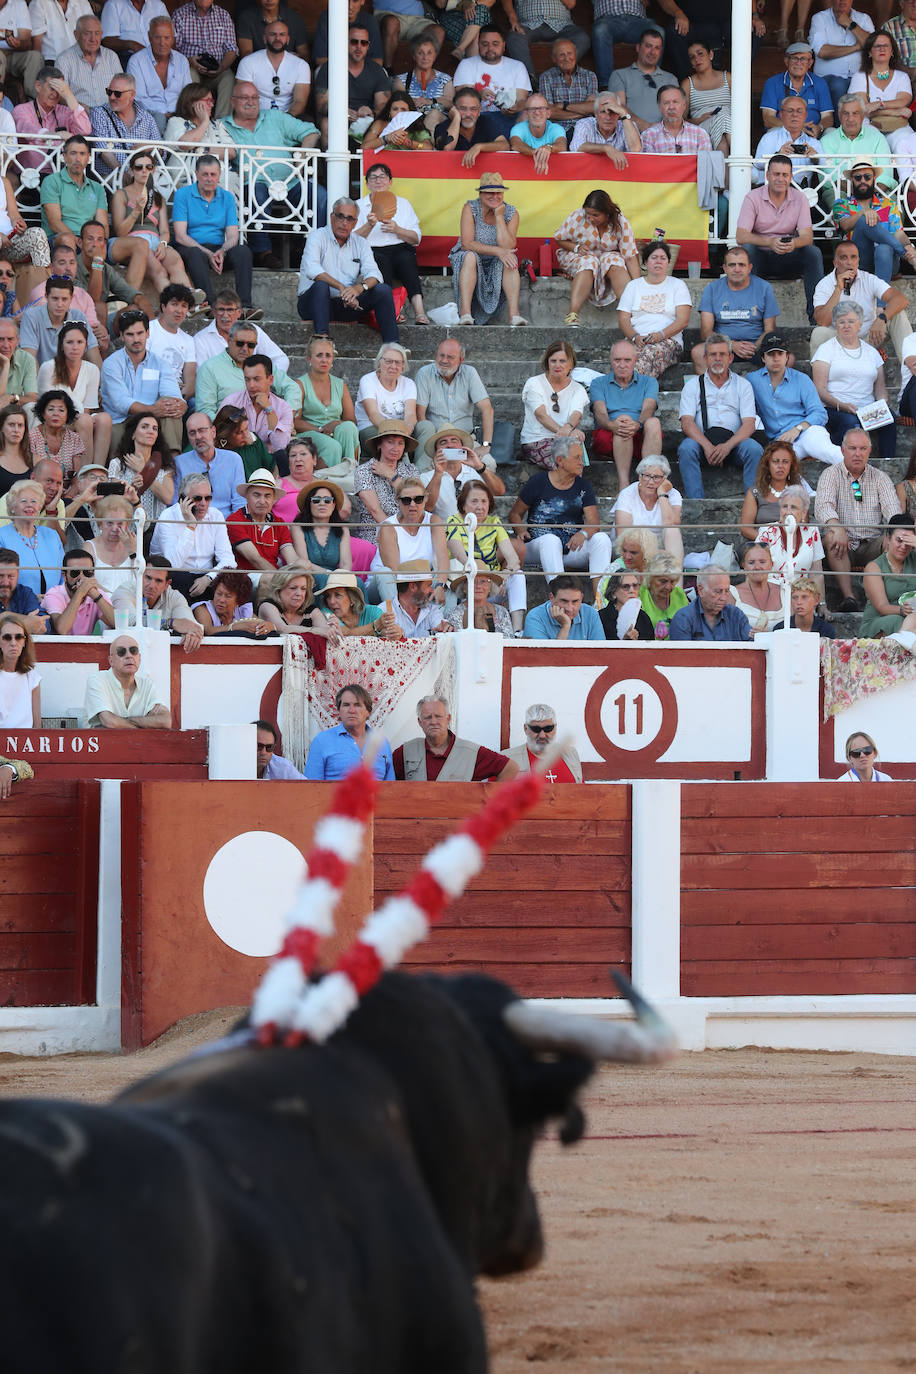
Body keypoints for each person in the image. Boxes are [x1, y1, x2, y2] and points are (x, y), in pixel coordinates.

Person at [223, 80, 322, 267]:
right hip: (254, 181)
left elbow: (311, 132)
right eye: (244, 98)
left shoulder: (275, 117)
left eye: (254, 98)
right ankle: (263, 253)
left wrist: (301, 158)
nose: (251, 102)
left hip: (289, 181)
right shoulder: (223, 126)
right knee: (255, 194)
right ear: (233, 101)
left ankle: (316, 249)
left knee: (320, 196)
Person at [509, 436, 612, 599]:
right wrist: (520, 530)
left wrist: (583, 534)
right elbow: (515, 513)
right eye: (577, 458)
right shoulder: (538, 482)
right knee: (551, 540)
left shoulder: (583, 486)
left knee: (602, 539)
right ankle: (560, 598)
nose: (582, 462)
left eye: (582, 457)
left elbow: (594, 523)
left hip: (571, 549)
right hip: (538, 547)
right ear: (560, 460)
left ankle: (601, 601)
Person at [815, 427, 901, 610]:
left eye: (863, 449)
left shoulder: (880, 478)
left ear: (869, 451)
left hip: (872, 543)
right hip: (843, 543)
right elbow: (823, 506)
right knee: (831, 536)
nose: (858, 454)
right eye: (853, 448)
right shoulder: (830, 474)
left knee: (893, 540)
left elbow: (893, 510)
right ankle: (849, 597)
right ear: (842, 450)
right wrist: (837, 527)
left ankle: (888, 599)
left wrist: (894, 532)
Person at [298, 198, 399, 344]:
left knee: (382, 290)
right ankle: (323, 341)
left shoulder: (361, 243)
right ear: (332, 217)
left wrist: (359, 289)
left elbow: (375, 274)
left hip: (346, 305)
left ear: (355, 223)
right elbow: (312, 269)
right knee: (321, 285)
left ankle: (392, 345)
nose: (344, 223)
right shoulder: (317, 236)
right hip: (312, 303)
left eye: (350, 219)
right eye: (340, 216)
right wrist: (343, 288)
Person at [736, 155, 823, 326]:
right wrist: (769, 242)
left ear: (791, 177)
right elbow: (741, 235)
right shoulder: (752, 197)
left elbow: (807, 236)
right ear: (767, 175)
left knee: (813, 253)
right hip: (761, 257)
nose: (780, 179)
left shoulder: (800, 198)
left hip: (788, 255)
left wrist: (793, 243)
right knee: (747, 250)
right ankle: (749, 319)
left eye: (785, 175)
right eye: (776, 174)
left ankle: (816, 320)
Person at [677, 335, 762, 500]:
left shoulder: (743, 385)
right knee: (686, 449)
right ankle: (696, 503)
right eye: (713, 355)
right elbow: (686, 423)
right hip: (702, 444)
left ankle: (753, 503)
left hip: (734, 444)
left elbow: (749, 424)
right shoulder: (693, 385)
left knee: (755, 449)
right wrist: (708, 447)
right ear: (705, 358)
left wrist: (727, 447)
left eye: (722, 354)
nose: (718, 359)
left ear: (730, 358)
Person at [170, 156, 256, 316]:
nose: (209, 179)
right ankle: (209, 305)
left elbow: (232, 236)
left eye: (213, 174)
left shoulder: (227, 197)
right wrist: (207, 253)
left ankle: (244, 307)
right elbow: (180, 236)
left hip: (217, 248)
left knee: (243, 251)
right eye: (205, 174)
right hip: (190, 247)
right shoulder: (183, 194)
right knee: (195, 254)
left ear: (219, 175)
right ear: (196, 174)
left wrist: (222, 251)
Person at [811, 300, 896, 459]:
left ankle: (887, 462)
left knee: (889, 419)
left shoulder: (872, 353)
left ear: (860, 324)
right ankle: (839, 461)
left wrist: (882, 407)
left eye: (851, 321)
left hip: (867, 410)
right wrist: (842, 405)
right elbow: (819, 389)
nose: (846, 325)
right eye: (841, 322)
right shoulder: (826, 350)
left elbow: (880, 390)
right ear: (836, 324)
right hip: (834, 408)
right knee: (851, 423)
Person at [748, 333, 844, 466]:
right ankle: (810, 489)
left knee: (827, 451)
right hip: (780, 441)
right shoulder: (752, 380)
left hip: (807, 431)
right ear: (763, 357)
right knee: (778, 468)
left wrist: (797, 428)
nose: (776, 358)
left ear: (787, 357)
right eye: (771, 354)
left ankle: (868, 481)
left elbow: (819, 413)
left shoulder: (801, 379)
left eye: (780, 354)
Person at [100, 308, 185, 455]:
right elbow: (121, 402)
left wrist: (179, 404)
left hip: (152, 420)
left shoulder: (160, 363)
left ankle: (173, 463)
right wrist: (152, 409)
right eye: (130, 335)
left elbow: (172, 393)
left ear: (148, 333)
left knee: (171, 406)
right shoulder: (111, 364)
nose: (136, 339)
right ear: (121, 336)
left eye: (140, 333)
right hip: (121, 420)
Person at [445, 477, 525, 633]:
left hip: (491, 584)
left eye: (484, 501)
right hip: (465, 585)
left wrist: (503, 576)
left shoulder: (493, 522)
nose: (480, 506)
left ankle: (517, 632)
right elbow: (460, 555)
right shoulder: (454, 521)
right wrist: (478, 572)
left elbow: (513, 559)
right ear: (463, 504)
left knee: (518, 575)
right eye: (474, 501)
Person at [812, 239, 911, 363]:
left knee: (898, 315)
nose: (849, 263)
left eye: (853, 257)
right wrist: (838, 289)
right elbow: (822, 321)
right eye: (844, 258)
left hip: (868, 338)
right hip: (838, 341)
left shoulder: (868, 279)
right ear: (835, 263)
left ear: (858, 261)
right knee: (818, 333)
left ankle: (912, 373)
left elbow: (901, 299)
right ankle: (821, 381)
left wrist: (882, 318)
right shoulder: (824, 284)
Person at [111, 151, 194, 298]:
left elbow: (164, 230)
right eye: (139, 167)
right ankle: (175, 302)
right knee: (159, 270)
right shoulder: (121, 195)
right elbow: (120, 232)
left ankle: (190, 301)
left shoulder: (157, 197)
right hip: (133, 242)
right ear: (131, 171)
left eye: (148, 167)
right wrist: (136, 211)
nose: (144, 171)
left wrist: (162, 243)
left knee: (175, 262)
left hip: (155, 241)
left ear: (153, 170)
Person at [553, 188, 639, 329]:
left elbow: (629, 256)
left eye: (595, 215)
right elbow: (559, 239)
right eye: (588, 214)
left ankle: (633, 312)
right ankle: (572, 315)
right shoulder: (577, 216)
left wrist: (639, 286)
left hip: (607, 261)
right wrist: (576, 247)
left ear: (607, 214)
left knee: (614, 261)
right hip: (578, 255)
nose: (591, 218)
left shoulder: (620, 222)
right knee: (589, 261)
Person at [355, 163, 428, 326]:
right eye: (373, 177)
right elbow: (350, 240)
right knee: (381, 262)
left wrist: (398, 229)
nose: (378, 181)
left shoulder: (403, 204)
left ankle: (420, 311)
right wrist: (369, 225)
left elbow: (416, 238)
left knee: (406, 260)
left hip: (400, 247)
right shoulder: (359, 206)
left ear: (390, 182)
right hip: (371, 249)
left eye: (382, 177)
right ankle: (393, 310)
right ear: (367, 184)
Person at [449, 171, 525, 328]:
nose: (495, 196)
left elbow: (508, 246)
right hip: (468, 259)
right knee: (470, 256)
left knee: (511, 260)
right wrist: (498, 251)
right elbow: (467, 243)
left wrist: (499, 217)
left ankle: (514, 315)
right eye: (490, 192)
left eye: (499, 192)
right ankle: (465, 313)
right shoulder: (470, 208)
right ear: (481, 194)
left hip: (496, 262)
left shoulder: (511, 213)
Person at [150, 470, 236, 599]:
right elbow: (173, 565)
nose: (203, 503)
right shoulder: (167, 516)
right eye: (197, 498)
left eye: (208, 498)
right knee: (181, 578)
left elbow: (228, 560)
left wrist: (208, 578)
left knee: (236, 579)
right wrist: (191, 526)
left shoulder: (215, 515)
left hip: (206, 577)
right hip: (175, 577)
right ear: (181, 498)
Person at [693, 246, 779, 374]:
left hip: (757, 345)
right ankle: (710, 393)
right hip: (722, 345)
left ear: (750, 268)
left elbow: (770, 330)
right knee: (698, 352)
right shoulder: (712, 289)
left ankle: (771, 393)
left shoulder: (764, 288)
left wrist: (754, 346)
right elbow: (706, 332)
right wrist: (731, 344)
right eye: (732, 265)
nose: (737, 269)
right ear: (725, 268)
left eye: (742, 265)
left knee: (787, 359)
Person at [830, 155, 916, 282]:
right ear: (852, 181)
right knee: (863, 220)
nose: (862, 180)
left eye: (867, 177)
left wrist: (908, 246)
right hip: (857, 261)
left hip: (887, 261)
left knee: (884, 248)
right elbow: (845, 225)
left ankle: (881, 301)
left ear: (874, 179)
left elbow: (899, 234)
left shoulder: (888, 204)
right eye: (858, 177)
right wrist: (863, 213)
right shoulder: (841, 204)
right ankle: (908, 258)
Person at [196, 320, 299, 424]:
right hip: (231, 431)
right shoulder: (210, 368)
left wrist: (285, 419)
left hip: (267, 427)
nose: (245, 349)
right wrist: (232, 428)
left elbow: (292, 388)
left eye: (250, 345)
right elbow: (205, 410)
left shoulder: (262, 364)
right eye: (240, 343)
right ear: (229, 340)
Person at [393, 694, 516, 780]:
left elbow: (510, 768)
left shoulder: (471, 753)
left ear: (448, 719)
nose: (433, 721)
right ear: (420, 722)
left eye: (438, 716)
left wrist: (490, 804)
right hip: (417, 817)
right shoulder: (406, 751)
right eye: (428, 717)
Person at [616, 240, 691, 380]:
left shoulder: (678, 285)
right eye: (654, 258)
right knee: (623, 358)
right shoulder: (633, 286)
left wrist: (660, 335)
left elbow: (683, 320)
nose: (659, 261)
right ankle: (640, 393)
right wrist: (635, 337)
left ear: (668, 262)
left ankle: (627, 393)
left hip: (668, 341)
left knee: (647, 355)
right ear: (645, 262)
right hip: (637, 340)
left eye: (663, 258)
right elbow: (623, 319)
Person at [37, 320, 107, 467]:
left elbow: (88, 408)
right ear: (61, 345)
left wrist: (82, 417)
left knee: (104, 419)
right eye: (69, 342)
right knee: (85, 420)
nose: (75, 347)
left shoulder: (92, 370)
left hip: (80, 418)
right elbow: (47, 408)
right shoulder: (48, 368)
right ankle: (83, 474)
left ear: (86, 345)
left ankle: (97, 470)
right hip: (55, 420)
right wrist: (80, 417)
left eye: (80, 342)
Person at [414, 337, 494, 465]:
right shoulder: (424, 374)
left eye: (450, 357)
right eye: (441, 355)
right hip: (436, 442)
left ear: (461, 360)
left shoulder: (470, 373)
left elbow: (487, 409)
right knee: (425, 467)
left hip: (464, 441)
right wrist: (435, 447)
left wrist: (485, 445)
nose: (444, 360)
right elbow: (420, 415)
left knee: (488, 464)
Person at [371, 473, 449, 603]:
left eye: (418, 499)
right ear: (398, 502)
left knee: (445, 580)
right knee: (385, 573)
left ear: (425, 500)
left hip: (422, 581)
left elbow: (443, 557)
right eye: (406, 500)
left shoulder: (434, 521)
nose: (412, 504)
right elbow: (393, 571)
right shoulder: (389, 527)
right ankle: (397, 617)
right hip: (388, 585)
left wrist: (441, 585)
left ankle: (442, 621)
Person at [313, 23, 391, 145]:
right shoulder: (329, 67)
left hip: (367, 120)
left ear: (368, 46)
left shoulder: (377, 70)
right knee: (327, 124)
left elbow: (384, 104)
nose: (359, 47)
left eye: (363, 43)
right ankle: (331, 165)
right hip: (337, 119)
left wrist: (372, 112)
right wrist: (341, 111)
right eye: (354, 42)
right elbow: (322, 104)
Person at [452, 26, 531, 137]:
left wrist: (515, 107)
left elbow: (523, 100)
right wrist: (478, 93)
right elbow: (461, 94)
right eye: (485, 44)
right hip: (479, 117)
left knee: (528, 115)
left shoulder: (517, 66)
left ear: (503, 45)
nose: (490, 48)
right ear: (478, 44)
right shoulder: (467, 64)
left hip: (509, 117)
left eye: (495, 44)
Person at [520, 339, 588, 469]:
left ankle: (576, 490)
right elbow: (541, 415)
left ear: (571, 364)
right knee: (565, 462)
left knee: (576, 459)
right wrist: (566, 432)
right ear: (547, 363)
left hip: (564, 441)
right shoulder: (534, 383)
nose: (557, 365)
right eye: (553, 361)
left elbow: (576, 414)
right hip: (536, 441)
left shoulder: (578, 389)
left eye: (562, 361)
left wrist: (568, 428)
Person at [305, 683, 395, 780]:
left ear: (368, 711)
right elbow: (311, 788)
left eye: (357, 705)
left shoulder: (382, 743)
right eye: (346, 705)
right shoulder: (321, 741)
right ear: (339, 710)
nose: (351, 710)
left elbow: (391, 788)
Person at [112, 555, 203, 649]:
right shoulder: (124, 591)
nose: (151, 585)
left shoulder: (174, 596)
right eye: (148, 578)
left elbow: (191, 625)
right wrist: (169, 623)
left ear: (167, 584)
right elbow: (130, 621)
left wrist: (192, 632)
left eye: (158, 581)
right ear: (140, 575)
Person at [13, 65, 91, 172]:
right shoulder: (21, 110)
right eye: (52, 88)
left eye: (59, 89)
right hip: (31, 177)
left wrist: (68, 95)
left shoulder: (65, 111)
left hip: (62, 174)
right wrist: (54, 136)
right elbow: (27, 129)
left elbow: (85, 130)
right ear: (38, 86)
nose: (55, 94)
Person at [84, 633, 171, 728]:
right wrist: (145, 725)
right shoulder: (98, 680)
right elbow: (109, 721)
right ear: (111, 661)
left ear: (139, 658)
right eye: (121, 652)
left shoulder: (147, 685)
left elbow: (165, 721)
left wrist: (122, 722)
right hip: (102, 742)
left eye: (133, 651)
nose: (129, 656)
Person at [353, 421, 421, 543]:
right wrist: (399, 535)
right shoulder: (363, 471)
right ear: (379, 445)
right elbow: (375, 511)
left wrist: (392, 476)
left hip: (409, 530)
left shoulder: (411, 470)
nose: (396, 448)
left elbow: (416, 501)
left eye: (400, 443)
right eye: (390, 442)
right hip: (375, 533)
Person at [421, 426, 504, 522]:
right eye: (443, 442)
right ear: (436, 452)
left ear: (462, 447)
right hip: (444, 533)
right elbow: (427, 507)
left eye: (454, 441)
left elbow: (499, 492)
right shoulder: (427, 477)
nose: (450, 445)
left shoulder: (475, 472)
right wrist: (438, 473)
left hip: (474, 530)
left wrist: (480, 466)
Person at [171, 0, 238, 117]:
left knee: (229, 78)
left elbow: (232, 49)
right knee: (189, 75)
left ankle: (221, 125)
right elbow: (173, 50)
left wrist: (222, 67)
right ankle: (194, 120)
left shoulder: (223, 15)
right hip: (191, 67)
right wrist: (189, 61)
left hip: (218, 68)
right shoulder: (180, 15)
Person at [108, 411, 175, 526]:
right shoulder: (117, 464)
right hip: (126, 527)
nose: (150, 431)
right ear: (133, 434)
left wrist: (143, 469)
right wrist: (133, 486)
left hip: (156, 529)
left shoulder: (164, 466)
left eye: (155, 429)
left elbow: (168, 498)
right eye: (144, 427)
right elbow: (114, 501)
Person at [19, 274, 99, 371]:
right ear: (46, 297)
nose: (60, 304)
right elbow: (30, 360)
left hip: (72, 379)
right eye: (55, 299)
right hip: (41, 379)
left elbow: (94, 355)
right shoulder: (31, 316)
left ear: (71, 299)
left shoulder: (78, 316)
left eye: (64, 299)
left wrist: (102, 384)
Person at [173, 411, 243, 520]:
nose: (198, 436)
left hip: (226, 525)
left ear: (213, 432)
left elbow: (240, 503)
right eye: (192, 433)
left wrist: (231, 530)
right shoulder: (179, 463)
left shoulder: (233, 460)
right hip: (193, 523)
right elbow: (176, 504)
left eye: (202, 430)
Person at [126, 17, 192, 132]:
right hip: (148, 117)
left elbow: (188, 95)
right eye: (157, 37)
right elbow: (138, 98)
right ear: (149, 37)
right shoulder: (136, 61)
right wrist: (163, 114)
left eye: (167, 38)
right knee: (159, 120)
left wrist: (176, 115)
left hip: (178, 117)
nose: (162, 43)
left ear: (173, 38)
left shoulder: (182, 60)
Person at [614, 453, 684, 561]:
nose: (651, 482)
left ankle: (675, 575)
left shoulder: (673, 495)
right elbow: (622, 536)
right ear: (639, 477)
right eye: (646, 476)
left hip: (661, 549)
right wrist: (653, 553)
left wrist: (662, 493)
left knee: (672, 530)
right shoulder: (627, 494)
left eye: (656, 477)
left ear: (665, 479)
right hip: (631, 549)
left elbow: (672, 523)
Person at [740, 441, 814, 541]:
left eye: (785, 462)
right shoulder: (755, 492)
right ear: (768, 465)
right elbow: (745, 528)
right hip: (762, 544)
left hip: (791, 543)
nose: (780, 466)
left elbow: (804, 526)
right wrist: (771, 542)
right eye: (775, 461)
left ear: (791, 466)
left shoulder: (798, 492)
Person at [88, 71, 161, 174]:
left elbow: (162, 153)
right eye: (109, 92)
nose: (112, 97)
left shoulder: (146, 118)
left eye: (117, 94)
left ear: (132, 95)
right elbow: (103, 151)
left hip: (143, 178)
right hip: (110, 179)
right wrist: (124, 174)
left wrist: (149, 147)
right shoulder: (99, 113)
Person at [223, 353, 293, 458]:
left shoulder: (283, 407)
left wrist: (269, 410)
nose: (251, 385)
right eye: (247, 379)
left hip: (270, 462)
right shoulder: (232, 402)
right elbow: (222, 439)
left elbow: (280, 446)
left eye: (256, 379)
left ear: (270, 379)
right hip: (239, 458)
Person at [821, 94, 894, 195]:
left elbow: (886, 176)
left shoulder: (878, 138)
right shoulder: (826, 141)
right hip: (839, 192)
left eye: (855, 113)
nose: (850, 119)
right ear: (839, 115)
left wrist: (868, 195)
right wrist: (857, 193)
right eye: (846, 113)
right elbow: (829, 177)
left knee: (893, 208)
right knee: (838, 204)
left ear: (863, 115)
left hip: (876, 191)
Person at [0, 479, 63, 597]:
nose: (29, 505)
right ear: (12, 507)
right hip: (18, 606)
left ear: (39, 507)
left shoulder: (52, 535)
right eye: (23, 501)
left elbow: (64, 574)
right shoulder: (2, 536)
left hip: (55, 605)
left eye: (34, 501)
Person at [236, 18, 310, 116]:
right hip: (256, 117)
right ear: (265, 39)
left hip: (290, 118)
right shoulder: (248, 62)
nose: (277, 38)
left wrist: (283, 121)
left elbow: (300, 101)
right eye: (272, 34)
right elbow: (244, 99)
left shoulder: (301, 65)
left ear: (288, 39)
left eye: (282, 34)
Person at [281, 479, 351, 583]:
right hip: (309, 578)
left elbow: (346, 563)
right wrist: (330, 574)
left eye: (327, 500)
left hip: (336, 579)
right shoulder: (298, 527)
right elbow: (303, 563)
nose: (322, 503)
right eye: (316, 500)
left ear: (333, 505)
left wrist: (340, 579)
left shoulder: (342, 529)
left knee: (357, 582)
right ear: (309, 505)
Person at [810, 0, 874, 112]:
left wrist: (850, 24)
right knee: (839, 84)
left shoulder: (863, 18)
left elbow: (872, 46)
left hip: (858, 77)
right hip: (828, 78)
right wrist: (856, 47)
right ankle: (840, 127)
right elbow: (822, 51)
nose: (842, 1)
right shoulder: (819, 18)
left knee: (863, 84)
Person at [608, 28, 678, 130]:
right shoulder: (619, 75)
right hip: (630, 134)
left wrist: (660, 131)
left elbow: (674, 111)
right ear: (638, 47)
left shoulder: (670, 79)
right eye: (648, 46)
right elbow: (619, 107)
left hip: (664, 137)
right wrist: (647, 127)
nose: (652, 52)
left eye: (657, 48)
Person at [859, 511, 916, 636]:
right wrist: (902, 610)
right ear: (888, 539)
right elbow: (882, 607)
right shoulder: (874, 567)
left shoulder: (914, 557)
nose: (903, 546)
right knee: (897, 621)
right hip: (881, 619)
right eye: (899, 540)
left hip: (912, 620)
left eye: (908, 542)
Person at [761, 41, 834, 134]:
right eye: (794, 58)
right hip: (784, 132)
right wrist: (794, 128)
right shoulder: (773, 83)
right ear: (786, 61)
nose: (798, 63)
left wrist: (819, 128)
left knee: (831, 132)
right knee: (773, 131)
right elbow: (768, 118)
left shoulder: (819, 83)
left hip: (813, 133)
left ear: (810, 63)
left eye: (803, 59)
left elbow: (827, 117)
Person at [752, 94, 824, 189]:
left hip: (801, 195)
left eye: (799, 111)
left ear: (805, 115)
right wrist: (777, 155)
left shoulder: (813, 142)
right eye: (790, 111)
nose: (795, 114)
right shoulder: (769, 138)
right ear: (781, 114)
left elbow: (826, 166)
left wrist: (815, 158)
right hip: (773, 191)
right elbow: (758, 164)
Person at [355, 343, 417, 449]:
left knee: (423, 429)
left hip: (401, 430)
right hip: (372, 427)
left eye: (398, 362)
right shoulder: (368, 380)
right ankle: (404, 465)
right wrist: (395, 434)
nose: (393, 366)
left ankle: (423, 465)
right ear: (379, 362)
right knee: (394, 444)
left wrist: (405, 432)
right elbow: (373, 414)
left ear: (403, 366)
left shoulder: (409, 383)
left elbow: (410, 415)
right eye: (388, 361)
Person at [40, 547, 115, 635]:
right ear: (64, 576)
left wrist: (96, 596)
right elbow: (62, 629)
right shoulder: (54, 594)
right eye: (75, 573)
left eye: (87, 572)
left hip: (85, 647)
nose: (82, 577)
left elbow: (115, 623)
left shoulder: (96, 594)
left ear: (93, 574)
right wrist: (80, 593)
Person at [669, 564, 752, 641]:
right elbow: (681, 656)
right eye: (718, 592)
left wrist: (759, 636)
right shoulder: (683, 619)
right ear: (701, 590)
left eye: (727, 591)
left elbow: (753, 647)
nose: (723, 598)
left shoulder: (736, 615)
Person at [57, 15, 122, 112]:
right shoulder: (64, 59)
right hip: (80, 115)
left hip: (112, 114)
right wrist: (78, 107)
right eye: (87, 33)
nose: (93, 39)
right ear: (76, 35)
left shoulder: (111, 56)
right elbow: (60, 96)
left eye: (97, 33)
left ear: (101, 35)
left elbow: (123, 88)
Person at [433, 84, 510, 163]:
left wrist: (479, 147)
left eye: (473, 109)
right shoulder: (442, 127)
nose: (468, 114)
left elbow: (505, 145)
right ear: (454, 109)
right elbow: (447, 148)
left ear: (479, 111)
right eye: (463, 108)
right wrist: (456, 118)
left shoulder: (486, 121)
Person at [538, 36, 598, 137]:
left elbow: (593, 107)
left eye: (570, 53)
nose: (567, 58)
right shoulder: (546, 77)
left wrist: (564, 105)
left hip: (586, 129)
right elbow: (549, 112)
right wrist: (582, 113)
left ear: (575, 55)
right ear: (554, 59)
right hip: (558, 130)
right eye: (561, 55)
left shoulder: (589, 76)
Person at [226, 467, 283, 572]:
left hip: (273, 576)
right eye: (256, 495)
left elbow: (291, 556)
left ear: (273, 498)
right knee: (267, 580)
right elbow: (255, 559)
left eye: (267, 496)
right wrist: (281, 580)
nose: (262, 501)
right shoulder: (234, 520)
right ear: (247, 496)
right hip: (244, 578)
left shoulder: (279, 522)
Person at [314, 569, 398, 639]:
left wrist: (397, 632)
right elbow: (344, 633)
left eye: (337, 595)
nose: (331, 601)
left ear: (352, 599)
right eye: (328, 596)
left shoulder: (373, 611)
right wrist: (376, 625)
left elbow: (386, 632)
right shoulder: (325, 613)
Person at [393, 32, 454, 128]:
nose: (425, 57)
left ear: (435, 56)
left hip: (439, 124)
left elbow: (450, 103)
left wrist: (430, 101)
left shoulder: (445, 79)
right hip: (411, 123)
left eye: (429, 53)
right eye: (420, 53)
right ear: (414, 55)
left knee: (434, 114)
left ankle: (427, 142)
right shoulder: (401, 80)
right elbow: (398, 102)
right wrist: (414, 102)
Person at [681, 39, 731, 154]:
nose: (697, 59)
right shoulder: (688, 84)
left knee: (722, 140)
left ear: (711, 55)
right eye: (692, 57)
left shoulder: (728, 78)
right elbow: (681, 121)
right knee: (722, 118)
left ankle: (723, 172)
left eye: (700, 54)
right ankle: (742, 159)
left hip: (728, 126)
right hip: (702, 128)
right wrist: (699, 120)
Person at [523, 572, 605, 640]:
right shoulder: (535, 618)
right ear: (551, 597)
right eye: (564, 601)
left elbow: (600, 655)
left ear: (581, 598)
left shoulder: (591, 614)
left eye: (575, 601)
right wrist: (565, 626)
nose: (569, 608)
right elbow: (546, 658)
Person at [192, 568, 272, 636]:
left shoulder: (243, 610)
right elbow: (207, 631)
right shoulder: (202, 609)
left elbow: (261, 624)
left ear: (239, 599)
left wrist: (269, 626)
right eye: (219, 594)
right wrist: (235, 627)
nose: (221, 600)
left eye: (228, 596)